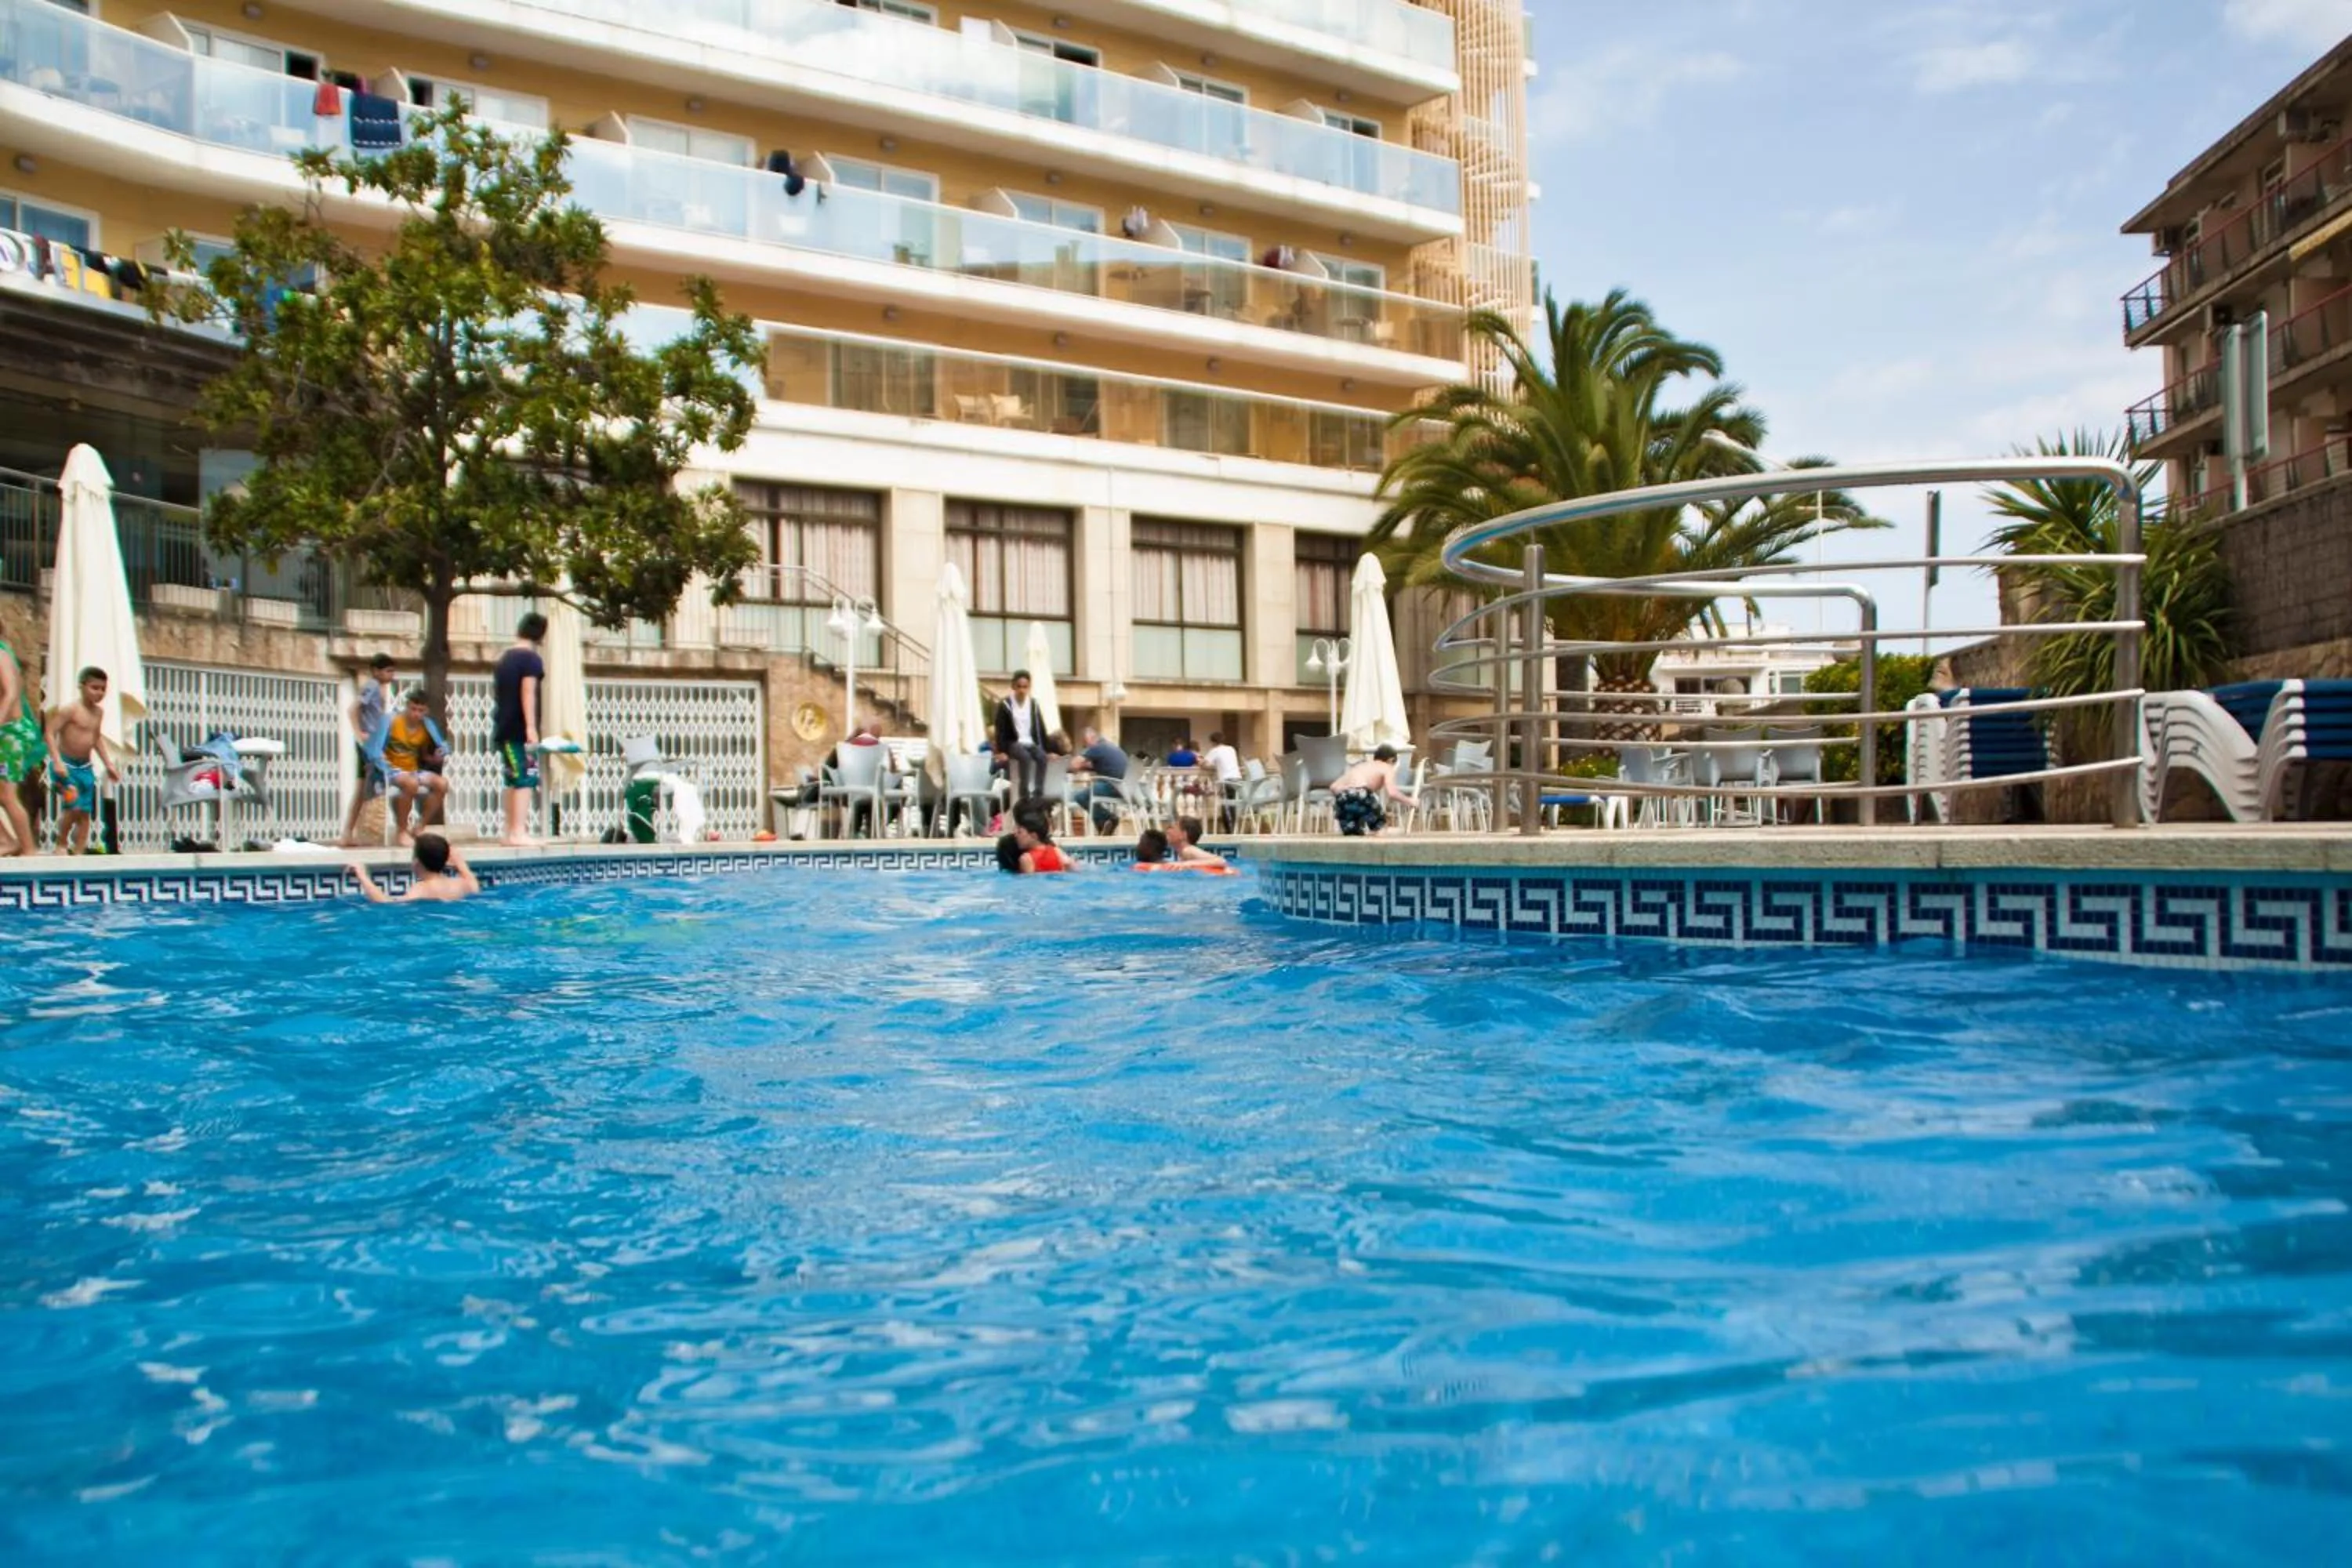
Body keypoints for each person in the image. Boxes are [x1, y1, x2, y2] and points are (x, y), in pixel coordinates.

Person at [43, 666, 119, 856]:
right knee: (73, 804)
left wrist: (108, 763)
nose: (99, 693)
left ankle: (78, 851)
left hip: (85, 768)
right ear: (82, 686)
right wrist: (57, 761)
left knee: (85, 813)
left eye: (103, 689)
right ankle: (61, 844)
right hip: (66, 767)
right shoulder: (71, 710)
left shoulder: (98, 713)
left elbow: (96, 738)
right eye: (95, 688)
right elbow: (49, 732)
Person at [371, 688, 452, 846]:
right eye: (413, 709)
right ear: (407, 706)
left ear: (426, 711)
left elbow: (439, 747)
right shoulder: (392, 721)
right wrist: (383, 764)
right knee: (411, 783)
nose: (416, 714)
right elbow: (375, 750)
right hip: (391, 769)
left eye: (420, 711)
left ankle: (420, 827)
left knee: (442, 784)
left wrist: (438, 755)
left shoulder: (426, 725)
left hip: (413, 770)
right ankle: (402, 831)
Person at [492, 612, 548, 848]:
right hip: (518, 730)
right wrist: (531, 727)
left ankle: (508, 831)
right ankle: (518, 831)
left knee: (511, 778)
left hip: (502, 726)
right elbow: (528, 693)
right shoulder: (530, 660)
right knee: (525, 778)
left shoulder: (505, 658)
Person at [338, 652, 401, 848]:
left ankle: (350, 833)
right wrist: (360, 734)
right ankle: (351, 832)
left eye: (392, 671)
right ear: (376, 671)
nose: (391, 675)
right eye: (388, 671)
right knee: (370, 787)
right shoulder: (372, 687)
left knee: (364, 790)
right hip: (370, 745)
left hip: (376, 743)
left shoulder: (380, 689)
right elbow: (353, 709)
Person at [347, 831, 479, 905]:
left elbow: (387, 904)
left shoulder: (422, 889)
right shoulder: (459, 884)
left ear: (416, 862)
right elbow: (474, 884)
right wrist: (458, 861)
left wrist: (362, 876)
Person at [0, 635, 42, 855]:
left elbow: (10, 693)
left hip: (12, 733)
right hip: (7, 733)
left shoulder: (1, 655)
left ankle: (28, 849)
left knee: (7, 795)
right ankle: (8, 841)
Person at [991, 670, 1047, 804]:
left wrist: (1045, 749)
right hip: (1013, 742)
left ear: (1029, 687)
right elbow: (1000, 729)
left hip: (1029, 741)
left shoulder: (1033, 704)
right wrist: (1001, 751)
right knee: (1025, 758)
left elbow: (1040, 728)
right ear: (1013, 687)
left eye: (1025, 687)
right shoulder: (1006, 705)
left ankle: (1039, 792)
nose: (1022, 690)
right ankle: (1024, 794)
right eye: (1019, 687)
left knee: (1041, 757)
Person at [1329, 744, 1410, 836]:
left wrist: (1350, 793)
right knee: (1379, 830)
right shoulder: (1386, 767)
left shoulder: (1360, 767)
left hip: (1343, 797)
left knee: (1353, 833)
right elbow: (1392, 793)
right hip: (1362, 794)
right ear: (1391, 760)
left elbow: (1333, 787)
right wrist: (1410, 801)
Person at [1067, 724, 1131, 833]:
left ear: (1091, 739)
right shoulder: (1109, 746)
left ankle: (1107, 819)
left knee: (1080, 796)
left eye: (1085, 744)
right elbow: (1092, 765)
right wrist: (1083, 766)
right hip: (1125, 787)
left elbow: (1074, 765)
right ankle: (1105, 824)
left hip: (1114, 786)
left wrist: (1061, 765)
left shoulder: (1097, 747)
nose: (1085, 748)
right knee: (1089, 793)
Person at [1008, 804, 1072, 873]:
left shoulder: (1026, 859)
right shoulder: (1057, 851)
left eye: (1020, 832)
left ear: (1033, 836)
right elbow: (1071, 866)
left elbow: (1028, 882)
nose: (1016, 835)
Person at [1163, 814, 1229, 869]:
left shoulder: (1188, 850)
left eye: (1172, 828)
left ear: (1183, 835)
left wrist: (1188, 864)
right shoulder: (1183, 853)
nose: (1168, 830)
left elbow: (1221, 861)